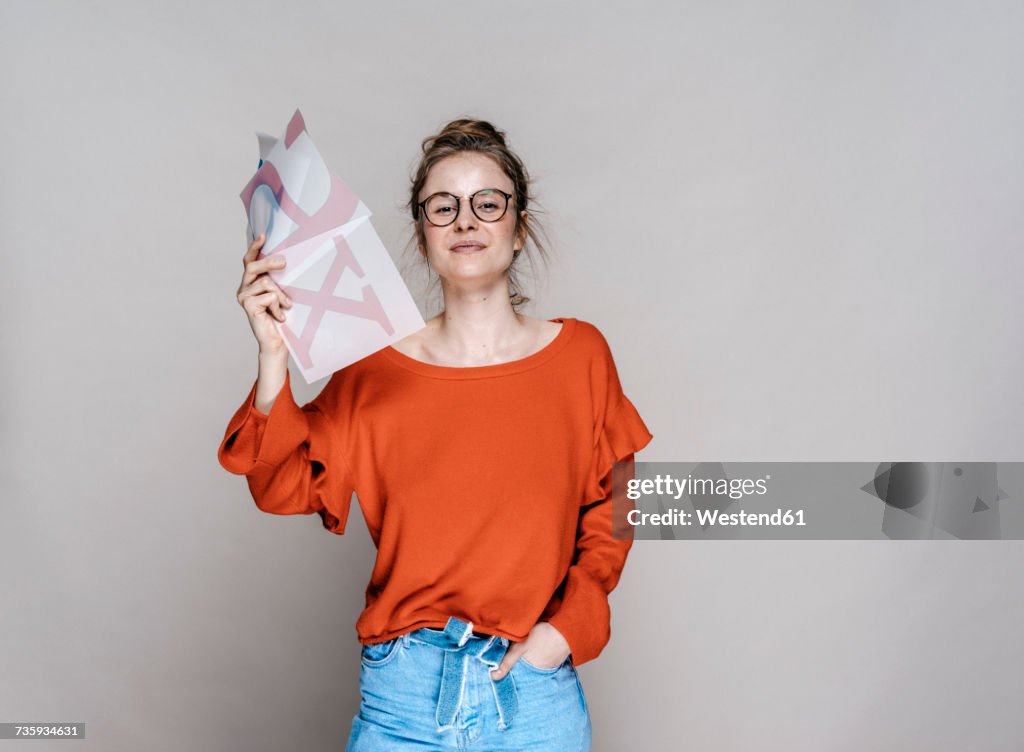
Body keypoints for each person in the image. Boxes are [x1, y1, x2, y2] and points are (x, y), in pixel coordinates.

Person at [217, 119, 653, 751]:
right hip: (404, 699)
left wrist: (565, 630)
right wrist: (273, 360)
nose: (466, 221)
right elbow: (281, 485)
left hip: (533, 699)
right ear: (422, 235)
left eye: (488, 203)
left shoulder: (581, 355)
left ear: (519, 226)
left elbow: (612, 510)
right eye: (443, 207)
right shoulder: (373, 366)